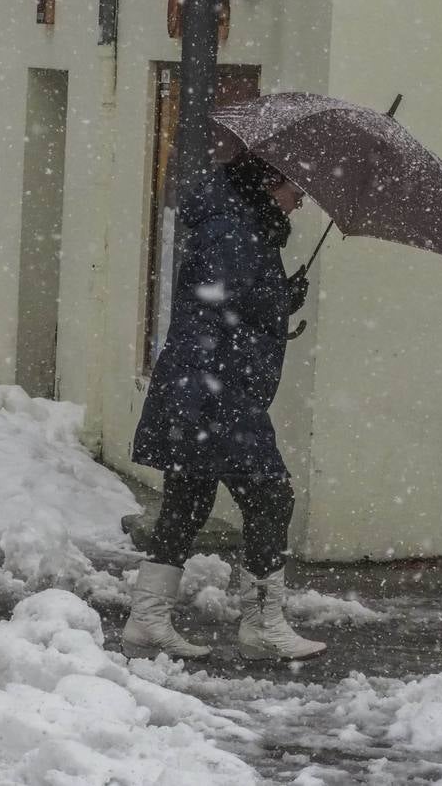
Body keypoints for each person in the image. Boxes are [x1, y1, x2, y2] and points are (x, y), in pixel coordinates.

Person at [122, 149, 327, 663]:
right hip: (215, 390)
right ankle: (263, 625)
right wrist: (276, 302)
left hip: (207, 387)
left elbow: (231, 299)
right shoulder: (234, 229)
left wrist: (279, 298)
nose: (301, 199)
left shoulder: (238, 222)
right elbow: (216, 304)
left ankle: (147, 621)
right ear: (270, 179)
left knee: (187, 504)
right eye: (297, 186)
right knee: (271, 497)